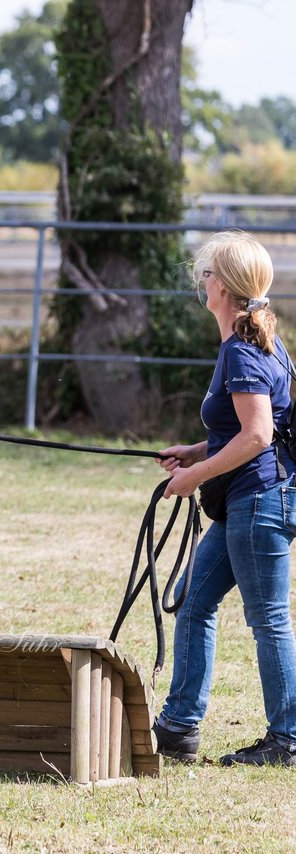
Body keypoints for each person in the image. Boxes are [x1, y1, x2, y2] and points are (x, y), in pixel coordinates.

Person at [154, 230, 296, 767]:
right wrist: (196, 452)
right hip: (253, 498)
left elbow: (258, 435)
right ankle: (178, 727)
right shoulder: (254, 344)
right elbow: (255, 429)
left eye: (208, 273)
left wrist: (195, 477)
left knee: (269, 621)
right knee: (194, 602)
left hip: (261, 501)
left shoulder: (242, 349)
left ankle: (288, 738)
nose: (203, 280)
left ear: (227, 289)